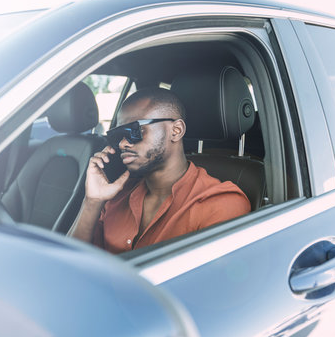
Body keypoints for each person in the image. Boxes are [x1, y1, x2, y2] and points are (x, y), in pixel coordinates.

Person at [68, 87, 250, 254]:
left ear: (176, 130)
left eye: (134, 131)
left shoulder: (218, 204)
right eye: (118, 135)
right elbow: (72, 262)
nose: (123, 143)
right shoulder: (116, 195)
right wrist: (92, 201)